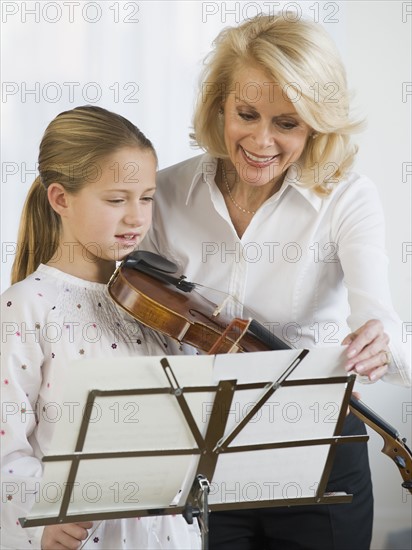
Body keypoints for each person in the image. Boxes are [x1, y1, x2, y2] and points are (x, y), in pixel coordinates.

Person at [142, 14, 411, 550]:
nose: (261, 141)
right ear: (220, 104)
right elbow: (142, 331)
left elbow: (382, 322)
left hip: (321, 450)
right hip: (206, 452)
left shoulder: (346, 197)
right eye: (247, 114)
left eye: (287, 123)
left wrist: (380, 344)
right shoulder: (166, 193)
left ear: (316, 124)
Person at [0, 106, 201, 550]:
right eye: (116, 199)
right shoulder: (25, 308)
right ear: (60, 199)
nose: (136, 218)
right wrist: (43, 517)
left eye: (146, 198)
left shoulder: (155, 304)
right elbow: (5, 452)